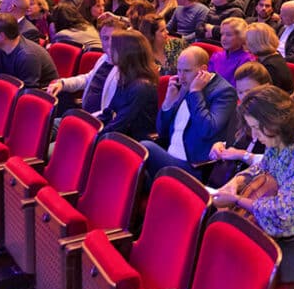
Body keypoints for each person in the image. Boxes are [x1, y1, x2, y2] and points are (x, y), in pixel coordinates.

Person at [213, 85, 294, 283]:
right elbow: (261, 169)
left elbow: (288, 215)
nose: (254, 136)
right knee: (221, 241)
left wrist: (236, 199)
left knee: (237, 262)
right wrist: (236, 181)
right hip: (275, 232)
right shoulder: (278, 142)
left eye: (255, 128)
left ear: (275, 122)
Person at [145, 45, 237, 178]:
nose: (181, 77)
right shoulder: (183, 85)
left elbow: (207, 129)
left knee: (145, 147)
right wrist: (168, 101)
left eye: (186, 71)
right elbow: (161, 130)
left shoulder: (224, 92)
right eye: (179, 70)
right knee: (135, 170)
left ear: (203, 70)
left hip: (194, 166)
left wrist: (195, 93)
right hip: (169, 157)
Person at [47, 19, 125, 114]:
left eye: (114, 38)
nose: (110, 43)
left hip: (98, 121)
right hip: (85, 113)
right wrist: (63, 83)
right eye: (105, 38)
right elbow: (87, 79)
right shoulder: (104, 58)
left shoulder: (125, 68)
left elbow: (114, 111)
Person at [96, 29, 158, 141]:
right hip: (118, 138)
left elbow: (120, 124)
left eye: (113, 49)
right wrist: (91, 127)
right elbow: (108, 113)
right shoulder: (125, 78)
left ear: (125, 53)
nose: (108, 51)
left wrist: (93, 138)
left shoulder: (141, 87)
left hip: (132, 145)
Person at [245, 22, 294, 91]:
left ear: (255, 43)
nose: (245, 44)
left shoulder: (271, 68)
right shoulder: (272, 57)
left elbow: (266, 95)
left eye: (247, 41)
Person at [207, 17, 255, 86]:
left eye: (228, 35)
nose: (223, 38)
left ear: (241, 36)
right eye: (222, 34)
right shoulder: (217, 55)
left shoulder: (247, 60)